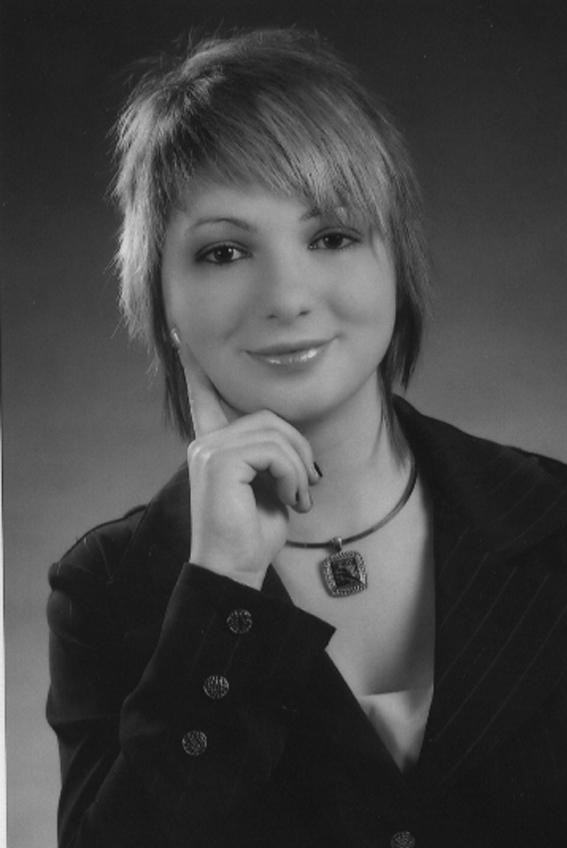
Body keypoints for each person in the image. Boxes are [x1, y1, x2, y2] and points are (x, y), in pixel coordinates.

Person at [46, 28, 567, 848]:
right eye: (223, 251)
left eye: (331, 237)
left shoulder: (555, 518)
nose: (286, 296)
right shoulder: (104, 590)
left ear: (397, 260)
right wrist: (222, 586)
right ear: (162, 300)